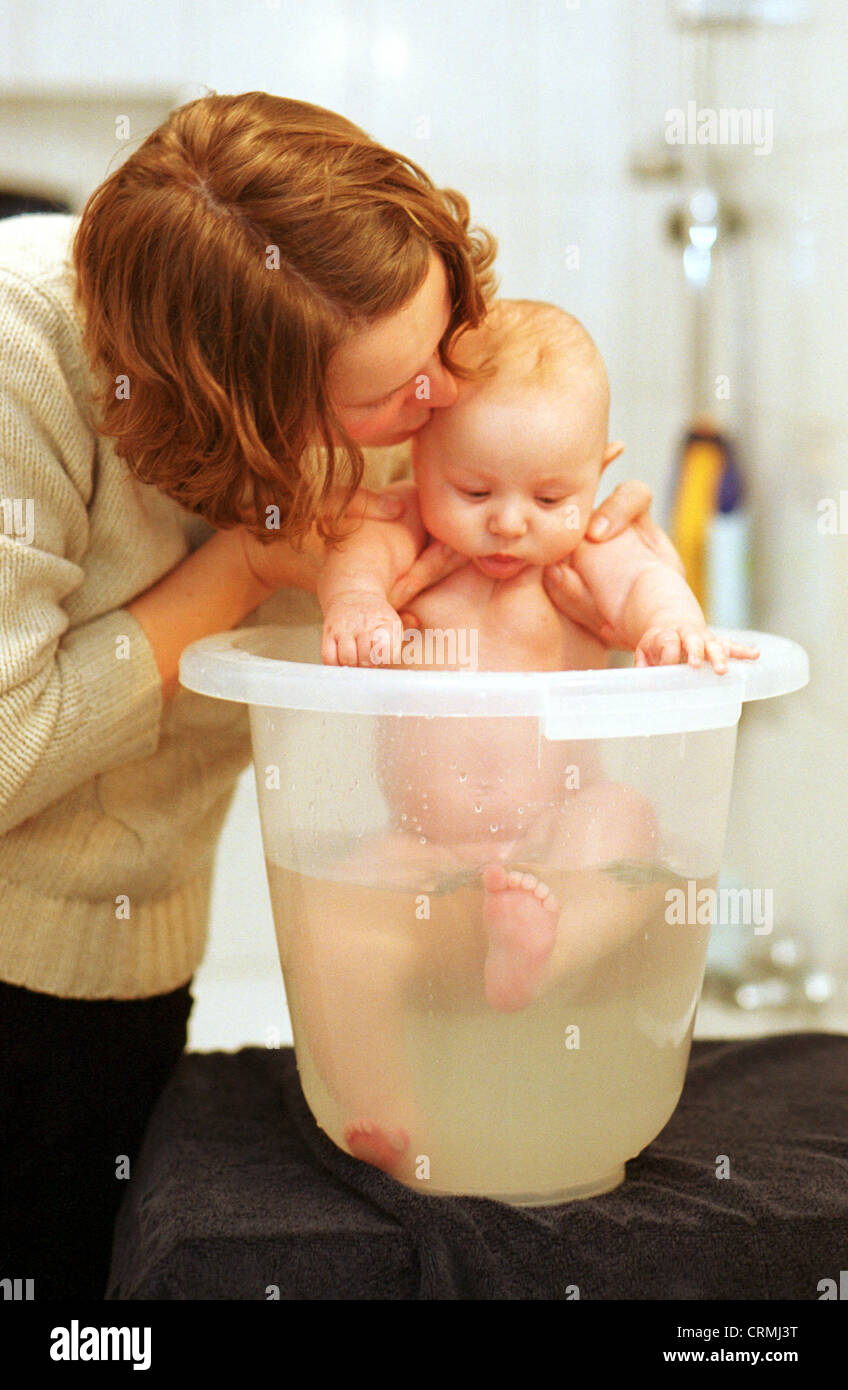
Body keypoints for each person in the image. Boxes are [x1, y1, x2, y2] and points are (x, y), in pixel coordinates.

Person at [1, 90, 680, 1297]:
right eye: (390, 397)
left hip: (149, 922)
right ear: (251, 421)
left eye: (446, 335)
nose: (441, 398)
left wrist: (595, 551)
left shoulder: (390, 352)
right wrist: (243, 567)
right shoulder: (20, 362)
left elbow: (513, 497)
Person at [307, 304, 757, 1177]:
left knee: (622, 820)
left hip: (553, 846)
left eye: (550, 498)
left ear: (599, 472)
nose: (512, 523)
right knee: (338, 922)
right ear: (419, 461)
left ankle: (544, 952)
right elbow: (353, 562)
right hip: (423, 854)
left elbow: (646, 588)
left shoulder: (584, 551)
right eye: (475, 492)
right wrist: (358, 606)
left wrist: (672, 627)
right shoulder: (401, 527)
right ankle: (383, 1108)